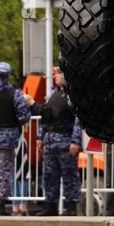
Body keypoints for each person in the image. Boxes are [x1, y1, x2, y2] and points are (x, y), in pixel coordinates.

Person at [28, 65, 82, 216]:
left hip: (66, 139)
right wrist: (40, 138)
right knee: (49, 175)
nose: (55, 76)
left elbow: (78, 119)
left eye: (58, 74)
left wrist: (75, 141)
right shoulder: (52, 94)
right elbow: (46, 117)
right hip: (50, 141)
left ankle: (71, 207)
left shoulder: (73, 95)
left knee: (69, 176)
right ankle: (50, 206)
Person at [0, 62, 33, 215]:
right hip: (7, 139)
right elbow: (24, 116)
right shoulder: (15, 93)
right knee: (3, 172)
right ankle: (0, 206)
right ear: (8, 76)